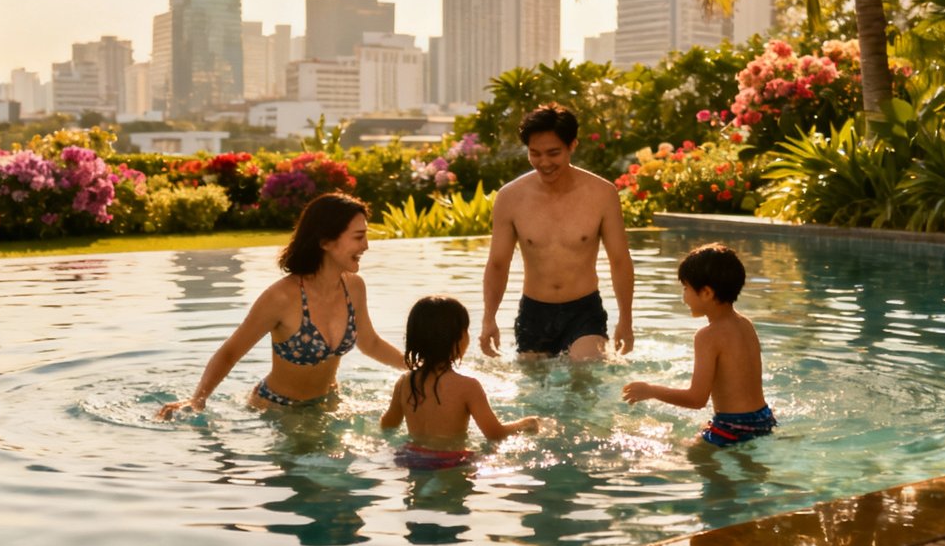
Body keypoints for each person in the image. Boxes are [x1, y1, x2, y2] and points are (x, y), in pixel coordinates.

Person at [157, 193, 404, 419]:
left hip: (327, 404)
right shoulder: (281, 297)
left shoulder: (354, 287)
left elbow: (370, 343)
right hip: (278, 410)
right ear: (326, 241)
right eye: (358, 237)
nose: (366, 245)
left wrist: (418, 367)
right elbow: (230, 352)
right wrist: (198, 400)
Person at [481, 104, 634, 361]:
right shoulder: (510, 197)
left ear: (572, 145)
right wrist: (489, 319)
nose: (544, 162)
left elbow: (619, 260)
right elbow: (497, 263)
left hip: (584, 311)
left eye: (553, 153)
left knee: (585, 369)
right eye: (535, 153)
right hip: (534, 312)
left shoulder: (602, 194)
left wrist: (626, 321)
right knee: (533, 382)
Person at [621, 243, 777, 447]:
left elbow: (696, 399)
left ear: (706, 293)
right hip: (763, 419)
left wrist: (650, 390)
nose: (684, 297)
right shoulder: (746, 324)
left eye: (686, 288)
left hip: (732, 427)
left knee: (680, 454)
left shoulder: (707, 336)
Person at [381, 295, 540, 469]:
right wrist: (526, 424)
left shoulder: (404, 382)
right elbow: (495, 434)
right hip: (452, 461)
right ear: (458, 338)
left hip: (411, 458)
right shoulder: (468, 387)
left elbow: (388, 425)